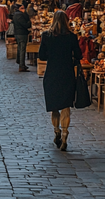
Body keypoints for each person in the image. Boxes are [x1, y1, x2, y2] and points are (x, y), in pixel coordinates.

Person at [38, 10, 82, 151]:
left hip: (51, 73)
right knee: (66, 106)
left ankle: (56, 130)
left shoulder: (46, 36)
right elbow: (79, 55)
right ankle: (64, 135)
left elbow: (42, 56)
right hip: (67, 74)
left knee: (54, 106)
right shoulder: (71, 37)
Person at [13, 3, 31, 72]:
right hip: (22, 34)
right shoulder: (20, 15)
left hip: (17, 33)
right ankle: (21, 65)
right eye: (22, 8)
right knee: (22, 49)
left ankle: (19, 61)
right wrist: (29, 22)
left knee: (20, 48)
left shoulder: (15, 15)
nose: (24, 10)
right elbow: (26, 25)